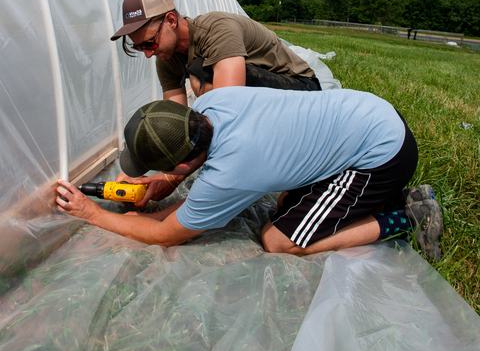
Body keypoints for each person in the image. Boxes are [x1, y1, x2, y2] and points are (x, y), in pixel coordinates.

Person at [56, 87, 443, 259]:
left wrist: (91, 214)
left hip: (382, 154)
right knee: (284, 205)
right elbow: (184, 186)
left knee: (280, 240)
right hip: (367, 113)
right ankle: (384, 201)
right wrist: (163, 184)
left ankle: (404, 215)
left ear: (181, 163)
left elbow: (165, 234)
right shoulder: (211, 103)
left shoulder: (233, 172)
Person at [110, 0, 321, 105]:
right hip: (260, 95)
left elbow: (229, 106)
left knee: (201, 75)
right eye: (139, 47)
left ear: (172, 20)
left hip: (302, 90)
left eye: (149, 43)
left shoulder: (217, 29)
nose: (148, 54)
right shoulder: (165, 55)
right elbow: (176, 114)